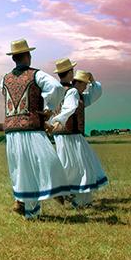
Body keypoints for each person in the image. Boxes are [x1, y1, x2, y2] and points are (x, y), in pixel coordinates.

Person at [1, 39, 71, 219]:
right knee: (49, 161)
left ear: (13, 58)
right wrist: (48, 109)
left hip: (11, 130)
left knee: (21, 169)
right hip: (31, 128)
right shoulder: (37, 75)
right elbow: (55, 87)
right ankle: (53, 193)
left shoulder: (5, 78)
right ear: (27, 56)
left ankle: (25, 205)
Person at [49, 69, 107, 208]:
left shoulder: (64, 92)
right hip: (72, 136)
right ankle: (76, 198)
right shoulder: (74, 93)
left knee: (73, 165)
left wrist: (93, 81)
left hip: (63, 135)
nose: (86, 86)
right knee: (82, 167)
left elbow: (96, 93)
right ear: (78, 82)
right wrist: (58, 121)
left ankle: (67, 193)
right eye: (85, 83)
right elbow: (68, 109)